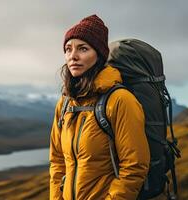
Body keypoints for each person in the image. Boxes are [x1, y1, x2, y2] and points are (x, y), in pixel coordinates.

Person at [49, 14, 150, 200]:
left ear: (99, 55)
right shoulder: (65, 104)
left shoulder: (120, 100)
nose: (73, 56)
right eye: (68, 49)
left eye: (83, 49)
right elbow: (57, 161)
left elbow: (134, 166)